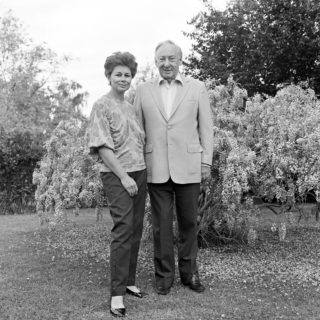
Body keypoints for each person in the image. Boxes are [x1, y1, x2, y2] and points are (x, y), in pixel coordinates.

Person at [134, 40, 213, 295]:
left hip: (190, 166)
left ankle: (190, 274)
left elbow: (206, 128)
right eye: (161, 59)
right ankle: (164, 276)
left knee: (189, 223)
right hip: (155, 167)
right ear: (155, 62)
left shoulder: (197, 88)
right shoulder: (143, 90)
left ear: (180, 61)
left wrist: (206, 161)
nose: (166, 63)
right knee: (161, 226)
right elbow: (137, 131)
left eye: (171, 58)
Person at [87, 52, 147, 318]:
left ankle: (129, 281)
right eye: (118, 74)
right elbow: (102, 147)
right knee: (123, 229)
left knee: (135, 229)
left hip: (140, 172)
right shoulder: (101, 105)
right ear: (108, 76)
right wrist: (124, 177)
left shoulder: (129, 105)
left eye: (127, 75)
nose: (123, 79)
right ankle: (116, 295)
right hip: (117, 174)